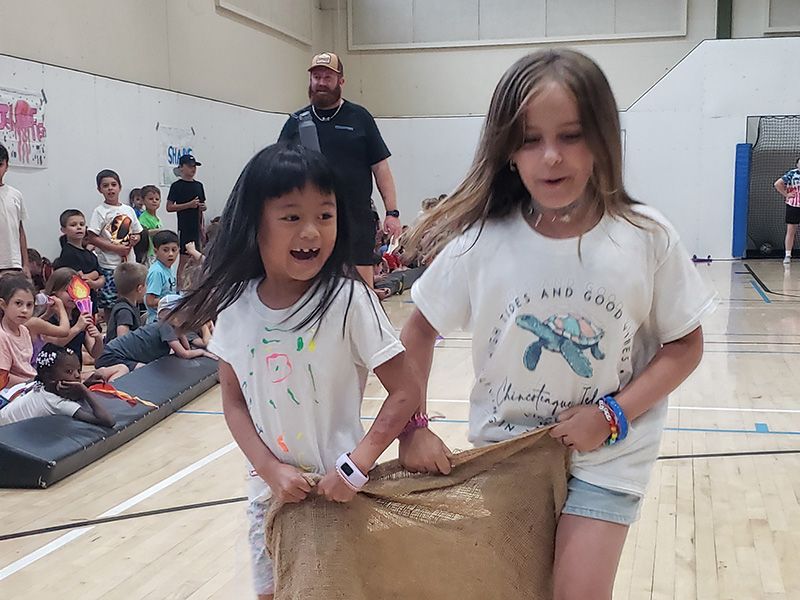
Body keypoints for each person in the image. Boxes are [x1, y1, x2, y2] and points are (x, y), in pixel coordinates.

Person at [397, 50, 717, 599]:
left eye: (571, 135)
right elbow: (418, 331)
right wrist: (413, 426)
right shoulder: (481, 240)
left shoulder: (645, 237)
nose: (551, 157)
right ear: (507, 152)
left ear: (601, 140)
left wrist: (613, 413)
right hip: (508, 455)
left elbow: (685, 345)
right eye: (529, 140)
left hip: (608, 454)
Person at [170, 143, 417, 600]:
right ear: (254, 224)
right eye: (291, 217)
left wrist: (356, 465)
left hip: (338, 498)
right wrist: (269, 470)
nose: (312, 231)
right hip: (269, 499)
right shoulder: (236, 307)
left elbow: (405, 390)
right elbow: (234, 401)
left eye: (325, 215)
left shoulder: (349, 301)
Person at [278, 52, 402, 287]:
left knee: (362, 288)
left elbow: (381, 167)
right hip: (311, 220)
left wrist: (392, 212)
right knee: (311, 284)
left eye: (327, 77)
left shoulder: (360, 118)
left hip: (355, 217)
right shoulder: (296, 121)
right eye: (316, 77)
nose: (321, 82)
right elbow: (277, 168)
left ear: (340, 82)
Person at [95, 294, 213, 378]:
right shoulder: (164, 326)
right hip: (111, 355)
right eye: (181, 313)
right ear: (168, 314)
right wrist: (202, 352)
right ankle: (101, 380)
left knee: (143, 369)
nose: (184, 317)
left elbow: (186, 348)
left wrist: (181, 332)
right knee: (143, 371)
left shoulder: (171, 327)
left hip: (118, 354)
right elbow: (184, 353)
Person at [0, 344, 115, 427]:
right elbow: (108, 421)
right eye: (69, 372)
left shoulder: (43, 385)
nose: (77, 376)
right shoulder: (57, 403)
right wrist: (84, 390)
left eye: (78, 370)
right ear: (49, 377)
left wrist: (86, 384)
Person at [86, 170, 143, 319]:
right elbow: (92, 237)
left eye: (113, 185)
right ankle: (113, 330)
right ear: (100, 190)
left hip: (129, 264)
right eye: (105, 186)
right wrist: (115, 248)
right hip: (110, 265)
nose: (110, 188)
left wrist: (135, 239)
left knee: (132, 298)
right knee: (111, 302)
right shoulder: (100, 212)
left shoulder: (128, 210)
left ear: (119, 187)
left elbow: (137, 232)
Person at [54, 209, 105, 316]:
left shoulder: (89, 254)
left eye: (82, 224)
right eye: (73, 225)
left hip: (91, 300)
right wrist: (95, 274)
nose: (78, 227)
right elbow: (80, 278)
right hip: (76, 303)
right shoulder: (68, 252)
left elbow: (102, 277)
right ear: (63, 229)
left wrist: (95, 283)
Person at [167, 155, 206, 288]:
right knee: (184, 260)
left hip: (197, 227)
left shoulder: (199, 185)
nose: (193, 169)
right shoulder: (176, 186)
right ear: (181, 167)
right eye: (190, 166)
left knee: (197, 259)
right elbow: (169, 207)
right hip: (184, 227)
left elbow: (202, 205)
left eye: (194, 166)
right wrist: (188, 205)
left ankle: (194, 287)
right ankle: (179, 289)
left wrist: (202, 207)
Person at [0, 275, 37, 391]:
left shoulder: (24, 330)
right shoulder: (2, 336)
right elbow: (4, 377)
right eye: (18, 303)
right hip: (11, 391)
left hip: (30, 383)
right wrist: (34, 383)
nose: (24, 310)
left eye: (29, 305)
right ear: (3, 305)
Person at [0, 143, 30, 277]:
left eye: (0, 165)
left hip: (13, 262)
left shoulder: (15, 195)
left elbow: (20, 230)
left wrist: (26, 264)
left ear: (6, 166)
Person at [105, 262, 147, 343]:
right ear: (140, 288)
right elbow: (122, 338)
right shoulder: (124, 311)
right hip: (118, 355)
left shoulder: (131, 306)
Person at [144, 231, 179, 323]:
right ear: (156, 251)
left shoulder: (169, 268)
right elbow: (150, 301)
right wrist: (173, 301)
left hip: (170, 317)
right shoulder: (157, 272)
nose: (171, 254)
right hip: (158, 321)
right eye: (165, 250)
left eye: (174, 250)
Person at [774, 156, 800, 264]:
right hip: (793, 205)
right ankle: (788, 255)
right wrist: (786, 194)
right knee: (791, 231)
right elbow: (777, 184)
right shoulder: (792, 174)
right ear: (797, 164)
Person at [138, 185, 163, 262]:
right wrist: (157, 231)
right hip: (149, 252)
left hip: (158, 251)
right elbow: (142, 233)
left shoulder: (158, 218)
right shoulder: (143, 218)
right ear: (143, 201)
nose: (154, 201)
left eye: (157, 199)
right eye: (150, 199)